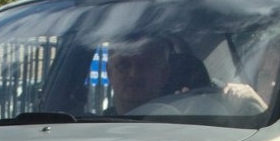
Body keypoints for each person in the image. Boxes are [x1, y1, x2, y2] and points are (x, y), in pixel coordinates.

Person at [108, 37, 266, 116]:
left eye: (146, 65)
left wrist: (252, 103)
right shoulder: (85, 129)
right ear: (109, 73)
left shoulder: (206, 120)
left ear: (164, 74)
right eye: (123, 66)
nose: (134, 73)